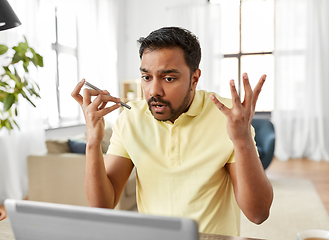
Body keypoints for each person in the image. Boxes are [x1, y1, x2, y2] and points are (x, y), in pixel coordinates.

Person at [71, 26, 273, 236]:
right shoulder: (130, 120)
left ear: (194, 79)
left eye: (168, 78)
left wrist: (242, 140)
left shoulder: (229, 117)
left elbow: (258, 214)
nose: (154, 91)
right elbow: (102, 206)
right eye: (147, 77)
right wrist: (93, 140)